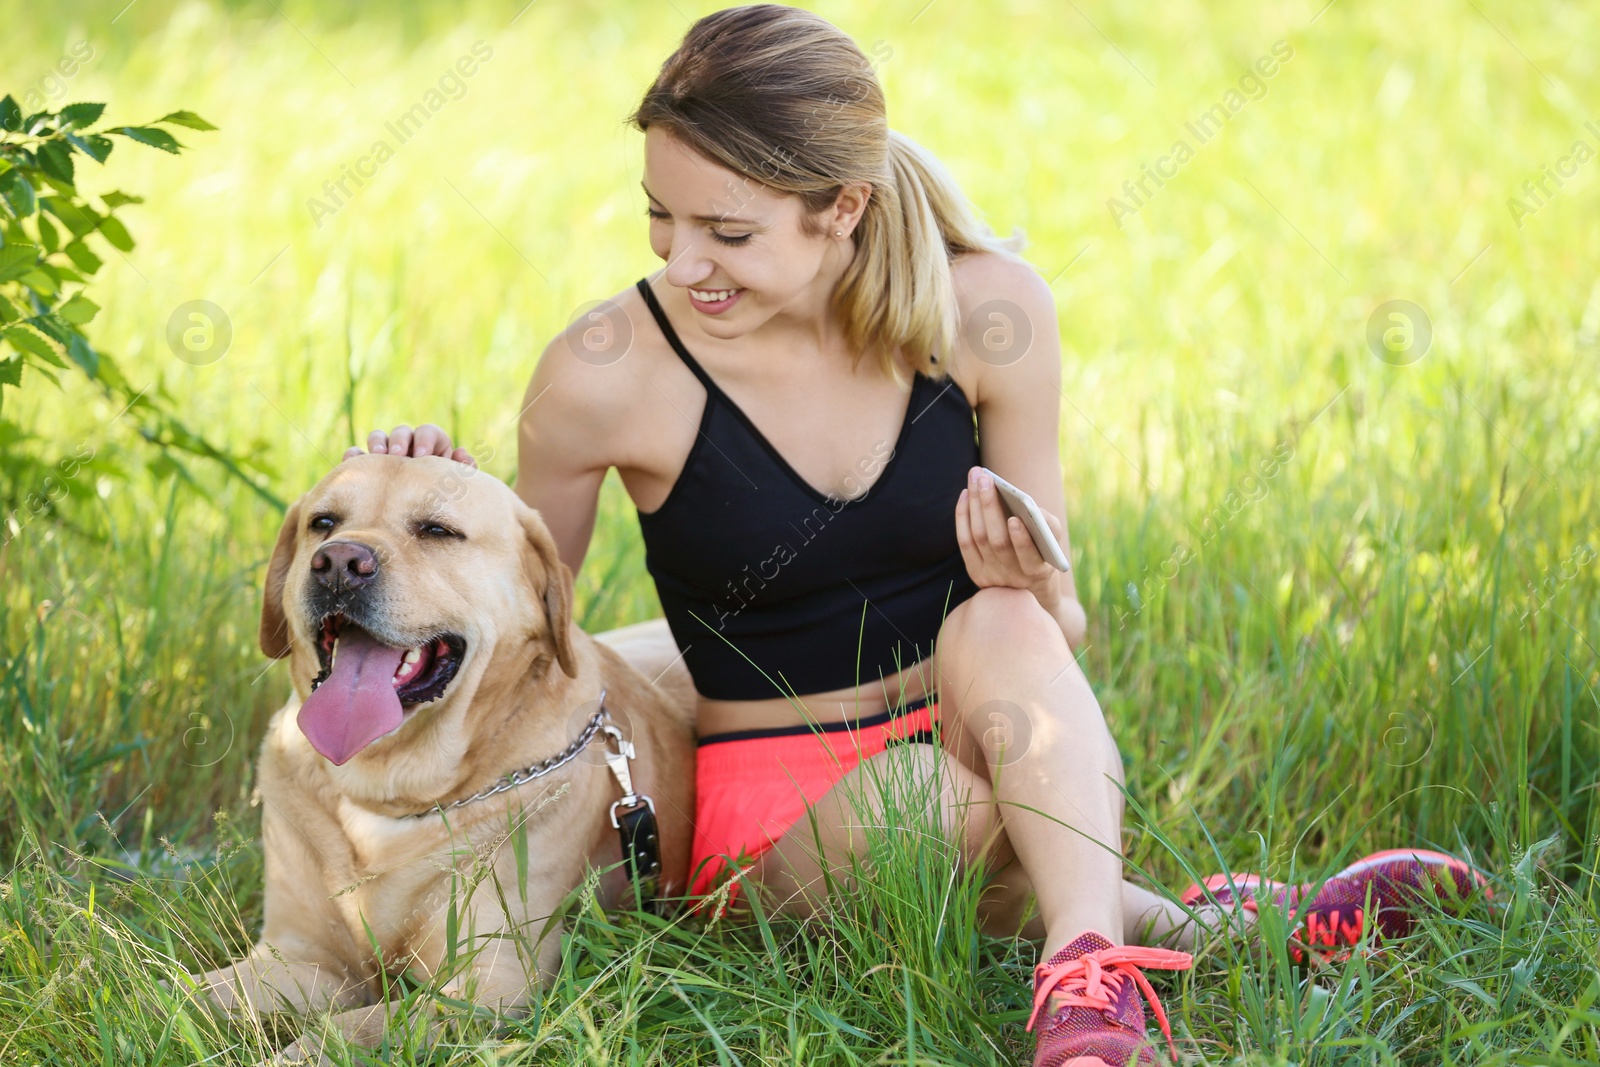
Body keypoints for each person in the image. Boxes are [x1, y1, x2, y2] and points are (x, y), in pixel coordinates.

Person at [343, 7, 1489, 1064]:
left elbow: (1060, 629)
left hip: (980, 730)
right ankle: (1231, 923)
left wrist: (1031, 586)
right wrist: (438, 506)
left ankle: (1088, 976)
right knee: (944, 802)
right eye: (660, 216)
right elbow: (532, 631)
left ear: (841, 208)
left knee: (997, 629)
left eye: (726, 230)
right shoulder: (606, 371)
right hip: (775, 813)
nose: (680, 260)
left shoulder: (991, 312)